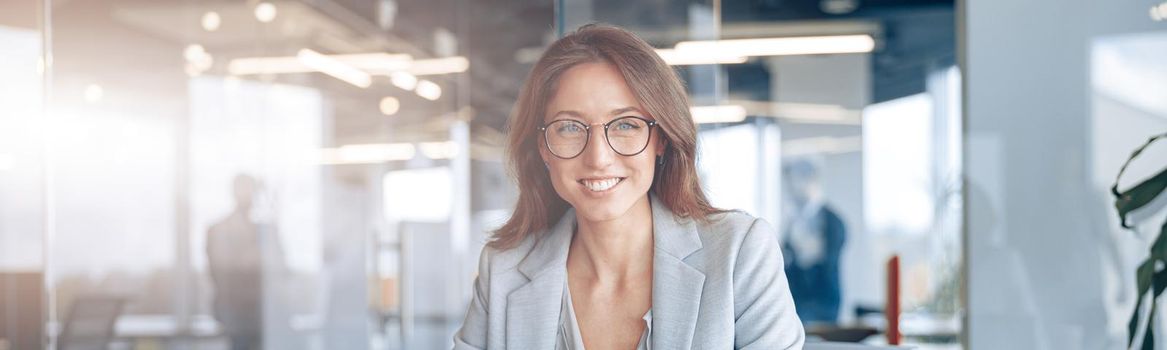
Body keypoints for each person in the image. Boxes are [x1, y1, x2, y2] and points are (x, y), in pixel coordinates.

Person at [453, 24, 804, 349]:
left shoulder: (739, 254)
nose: (598, 158)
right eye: (570, 127)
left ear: (661, 138)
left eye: (625, 125)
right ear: (543, 147)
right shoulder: (503, 270)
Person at [781, 158, 846, 325]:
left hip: (823, 307)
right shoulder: (793, 222)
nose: (792, 188)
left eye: (796, 180)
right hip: (797, 304)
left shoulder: (832, 221)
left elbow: (829, 261)